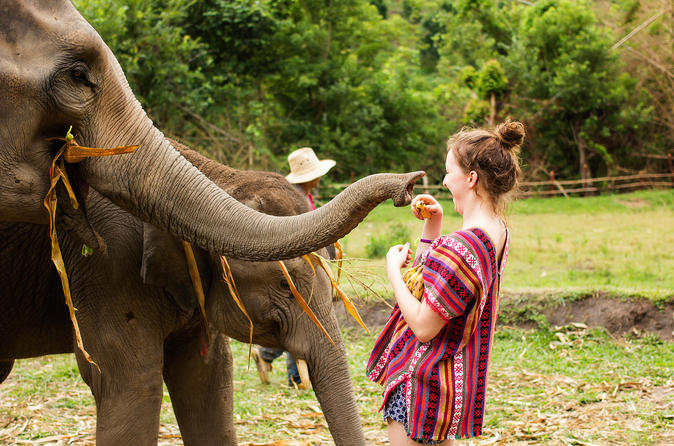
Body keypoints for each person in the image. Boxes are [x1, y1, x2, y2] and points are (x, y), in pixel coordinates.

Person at [366, 120, 524, 445]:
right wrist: (433, 226)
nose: (444, 180)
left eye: (448, 172)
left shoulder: (460, 247)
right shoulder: (497, 233)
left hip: (420, 383)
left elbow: (425, 326)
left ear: (471, 178)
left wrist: (393, 270)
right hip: (451, 385)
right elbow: (441, 288)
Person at [252, 147, 336, 388]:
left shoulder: (303, 196)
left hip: (303, 265)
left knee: (299, 316)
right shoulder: (293, 200)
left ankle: (268, 355)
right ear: (311, 176)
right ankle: (295, 377)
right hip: (296, 267)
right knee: (301, 317)